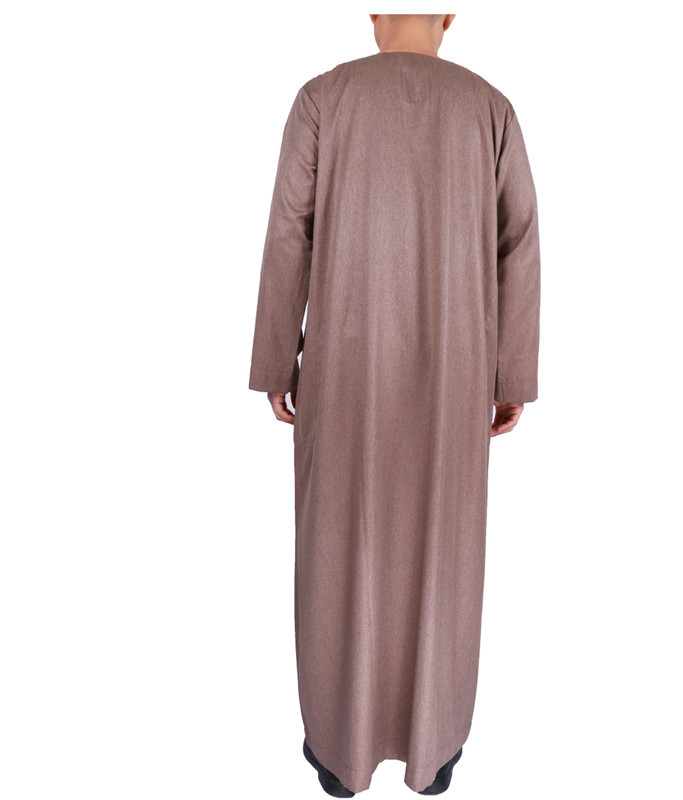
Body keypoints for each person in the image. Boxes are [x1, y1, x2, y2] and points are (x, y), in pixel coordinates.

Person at [249, 12, 540, 796]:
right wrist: (511, 374)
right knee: (443, 548)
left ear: (374, 14)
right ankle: (432, 747)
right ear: (448, 17)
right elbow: (519, 242)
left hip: (343, 365)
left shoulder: (323, 98)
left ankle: (337, 751)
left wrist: (276, 359)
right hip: (455, 371)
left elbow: (288, 234)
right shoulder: (489, 108)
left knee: (338, 543)